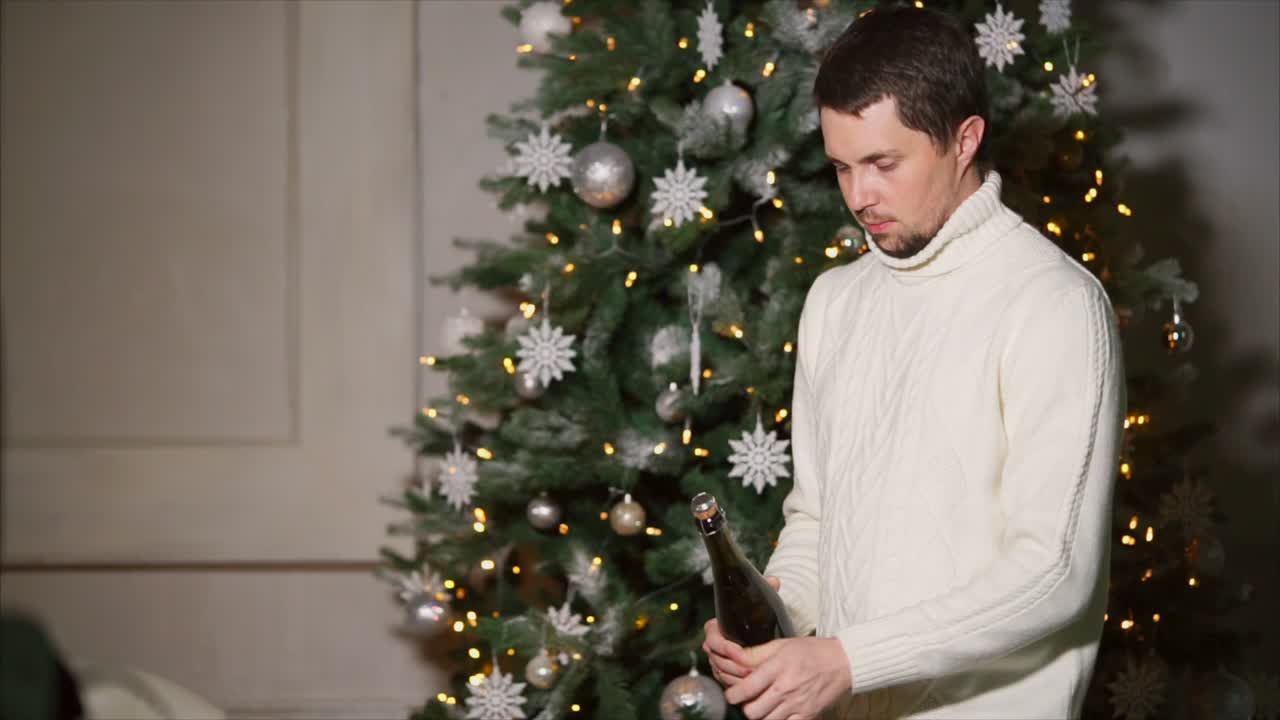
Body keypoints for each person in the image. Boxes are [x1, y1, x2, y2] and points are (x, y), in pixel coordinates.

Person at [702, 4, 1125, 719]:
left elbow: (1055, 573)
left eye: (883, 163)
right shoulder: (834, 301)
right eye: (841, 167)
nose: (859, 197)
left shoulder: (1053, 303)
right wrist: (772, 627)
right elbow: (815, 518)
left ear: (964, 140)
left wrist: (846, 660)